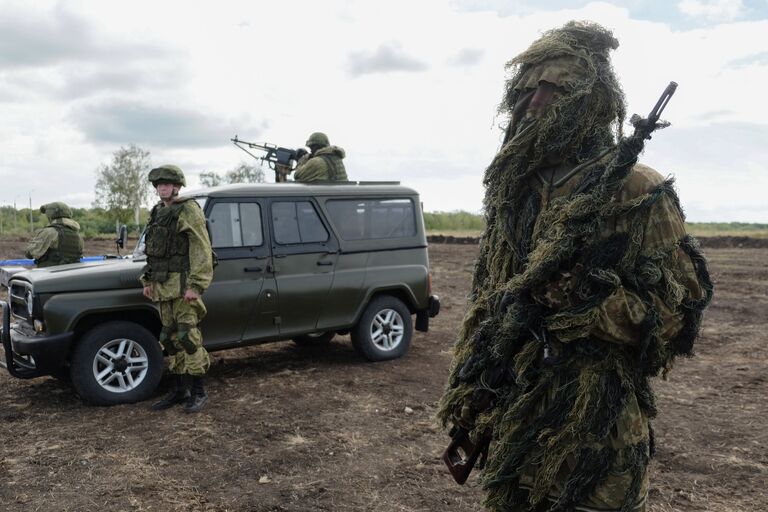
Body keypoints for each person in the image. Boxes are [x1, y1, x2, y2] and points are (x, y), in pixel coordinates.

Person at [437, 21, 713, 511]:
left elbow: (680, 317)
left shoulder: (635, 189)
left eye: (555, 88)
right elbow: (492, 303)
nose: (534, 103)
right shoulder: (514, 191)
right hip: (515, 425)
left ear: (592, 99)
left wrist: (592, 301)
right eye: (526, 89)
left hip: (595, 439)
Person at [140, 164, 214, 413]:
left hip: (183, 288)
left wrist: (197, 285)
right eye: (159, 184)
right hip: (162, 287)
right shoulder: (158, 212)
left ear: (177, 186)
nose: (162, 188)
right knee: (169, 338)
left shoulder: (188, 209)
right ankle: (180, 389)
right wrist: (147, 280)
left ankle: (199, 391)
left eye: (167, 184)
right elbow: (153, 251)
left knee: (188, 337)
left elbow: (201, 248)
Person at [24, 202, 83, 267]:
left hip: (51, 274)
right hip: (71, 274)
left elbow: (30, 253)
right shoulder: (77, 234)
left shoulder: (50, 232)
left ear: (50, 215)